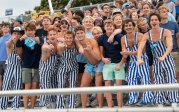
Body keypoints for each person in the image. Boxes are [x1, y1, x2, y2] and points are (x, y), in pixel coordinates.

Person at [137, 13, 179, 106]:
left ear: (159, 21)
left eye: (156, 19)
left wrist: (163, 56)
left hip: (167, 59)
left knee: (171, 80)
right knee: (158, 82)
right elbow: (140, 48)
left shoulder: (166, 31)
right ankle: (160, 101)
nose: (154, 21)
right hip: (156, 62)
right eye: (152, 20)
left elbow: (170, 45)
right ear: (150, 22)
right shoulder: (147, 35)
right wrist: (139, 58)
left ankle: (174, 100)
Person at [121, 19, 154, 106]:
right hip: (132, 61)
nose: (128, 27)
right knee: (131, 80)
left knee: (145, 79)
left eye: (129, 25)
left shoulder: (140, 35)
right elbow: (124, 53)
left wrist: (127, 52)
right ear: (124, 28)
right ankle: (132, 100)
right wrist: (123, 58)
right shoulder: (122, 39)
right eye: (126, 26)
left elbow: (142, 51)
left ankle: (148, 99)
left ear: (133, 26)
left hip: (142, 59)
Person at [98, 19, 125, 107]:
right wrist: (103, 59)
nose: (109, 27)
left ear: (113, 27)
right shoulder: (101, 38)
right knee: (107, 85)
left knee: (119, 85)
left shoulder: (119, 36)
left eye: (110, 26)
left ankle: (120, 107)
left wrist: (121, 64)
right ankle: (110, 107)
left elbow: (124, 52)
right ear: (104, 27)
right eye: (107, 26)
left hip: (118, 63)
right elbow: (101, 52)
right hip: (108, 63)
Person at [74, 25, 101, 108]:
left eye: (81, 33)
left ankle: (100, 107)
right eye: (78, 33)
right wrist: (79, 45)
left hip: (99, 64)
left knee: (98, 85)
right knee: (83, 86)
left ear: (84, 33)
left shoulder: (92, 41)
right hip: (89, 65)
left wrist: (90, 50)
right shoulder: (77, 41)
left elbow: (98, 58)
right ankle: (84, 108)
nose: (80, 35)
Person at [16, 23, 41, 109]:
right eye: (28, 30)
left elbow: (41, 49)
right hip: (26, 67)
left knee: (34, 88)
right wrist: (21, 38)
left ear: (35, 31)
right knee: (27, 88)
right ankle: (26, 108)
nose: (30, 32)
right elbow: (17, 45)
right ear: (26, 31)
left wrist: (39, 42)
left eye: (32, 30)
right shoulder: (23, 39)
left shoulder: (38, 39)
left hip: (36, 67)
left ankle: (32, 107)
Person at [0, 27, 24, 110]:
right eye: (15, 33)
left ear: (20, 35)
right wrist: (13, 40)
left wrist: (19, 41)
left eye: (18, 34)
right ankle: (2, 105)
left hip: (19, 66)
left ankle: (15, 106)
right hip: (10, 65)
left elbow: (20, 54)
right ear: (12, 34)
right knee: (6, 85)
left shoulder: (22, 43)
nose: (16, 35)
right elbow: (8, 44)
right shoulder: (9, 42)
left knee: (17, 86)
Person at [56, 30, 79, 109]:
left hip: (73, 67)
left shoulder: (76, 45)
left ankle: (72, 105)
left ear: (73, 38)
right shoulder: (61, 44)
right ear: (64, 38)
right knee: (60, 85)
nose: (69, 39)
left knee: (72, 86)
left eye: (70, 38)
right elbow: (59, 48)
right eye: (67, 38)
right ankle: (60, 106)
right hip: (62, 66)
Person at [39, 25, 58, 108]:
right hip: (45, 69)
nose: (52, 36)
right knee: (44, 86)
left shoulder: (59, 43)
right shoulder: (45, 45)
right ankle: (43, 105)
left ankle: (53, 104)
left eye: (54, 34)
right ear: (47, 36)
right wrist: (48, 50)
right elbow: (44, 58)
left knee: (54, 85)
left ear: (57, 35)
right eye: (50, 35)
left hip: (55, 68)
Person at [0, 22, 11, 90]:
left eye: (7, 27)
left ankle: (8, 95)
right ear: (1, 28)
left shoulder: (11, 37)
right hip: (0, 60)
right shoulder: (0, 38)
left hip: (8, 60)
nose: (5, 28)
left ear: (9, 28)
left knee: (8, 78)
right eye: (3, 27)